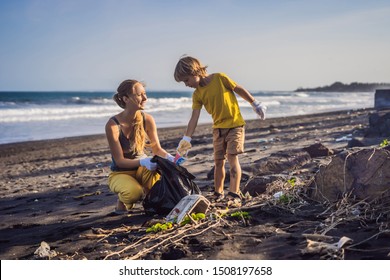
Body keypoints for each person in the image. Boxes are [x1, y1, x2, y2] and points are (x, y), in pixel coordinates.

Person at [174, 56, 266, 202]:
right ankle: (218, 192)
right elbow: (194, 117)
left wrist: (255, 103)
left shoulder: (220, 78)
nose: (186, 84)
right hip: (218, 130)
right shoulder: (197, 94)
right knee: (218, 162)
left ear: (194, 71)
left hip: (235, 126)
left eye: (186, 80)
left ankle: (234, 194)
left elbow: (239, 89)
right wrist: (186, 139)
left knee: (232, 158)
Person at [105, 79, 174, 214]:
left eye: (145, 93)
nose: (145, 98)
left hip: (143, 169)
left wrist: (171, 158)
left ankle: (150, 201)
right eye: (139, 94)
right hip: (121, 172)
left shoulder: (147, 119)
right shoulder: (113, 125)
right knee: (134, 193)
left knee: (158, 167)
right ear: (125, 99)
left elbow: (157, 150)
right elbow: (119, 161)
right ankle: (122, 200)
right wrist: (143, 161)